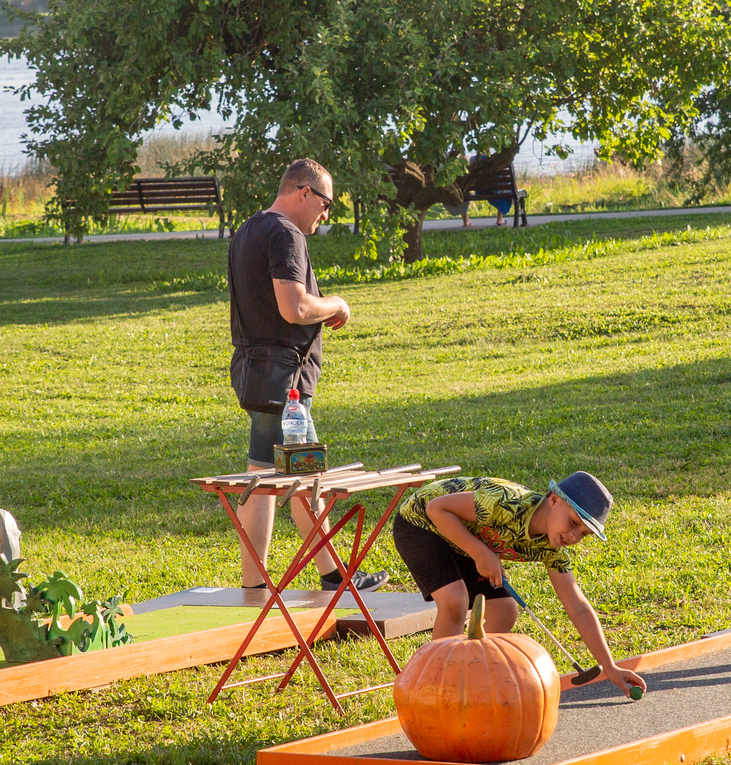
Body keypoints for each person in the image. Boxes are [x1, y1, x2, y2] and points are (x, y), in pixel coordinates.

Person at [227, 158, 390, 593]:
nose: (326, 213)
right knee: (307, 476)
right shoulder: (286, 233)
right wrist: (336, 303)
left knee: (261, 475)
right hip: (286, 384)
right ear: (303, 193)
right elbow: (294, 307)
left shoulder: (248, 230)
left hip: (256, 374)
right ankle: (333, 575)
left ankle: (254, 583)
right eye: (325, 202)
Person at [391, 472, 648, 697]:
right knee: (454, 601)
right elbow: (437, 509)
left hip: (466, 535)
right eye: (573, 522)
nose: (574, 536)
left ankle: (476, 681)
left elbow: (578, 607)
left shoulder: (552, 549)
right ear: (554, 499)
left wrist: (610, 667)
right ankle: (436, 685)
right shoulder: (506, 503)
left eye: (583, 534)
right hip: (421, 522)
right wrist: (480, 553)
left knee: (505, 609)